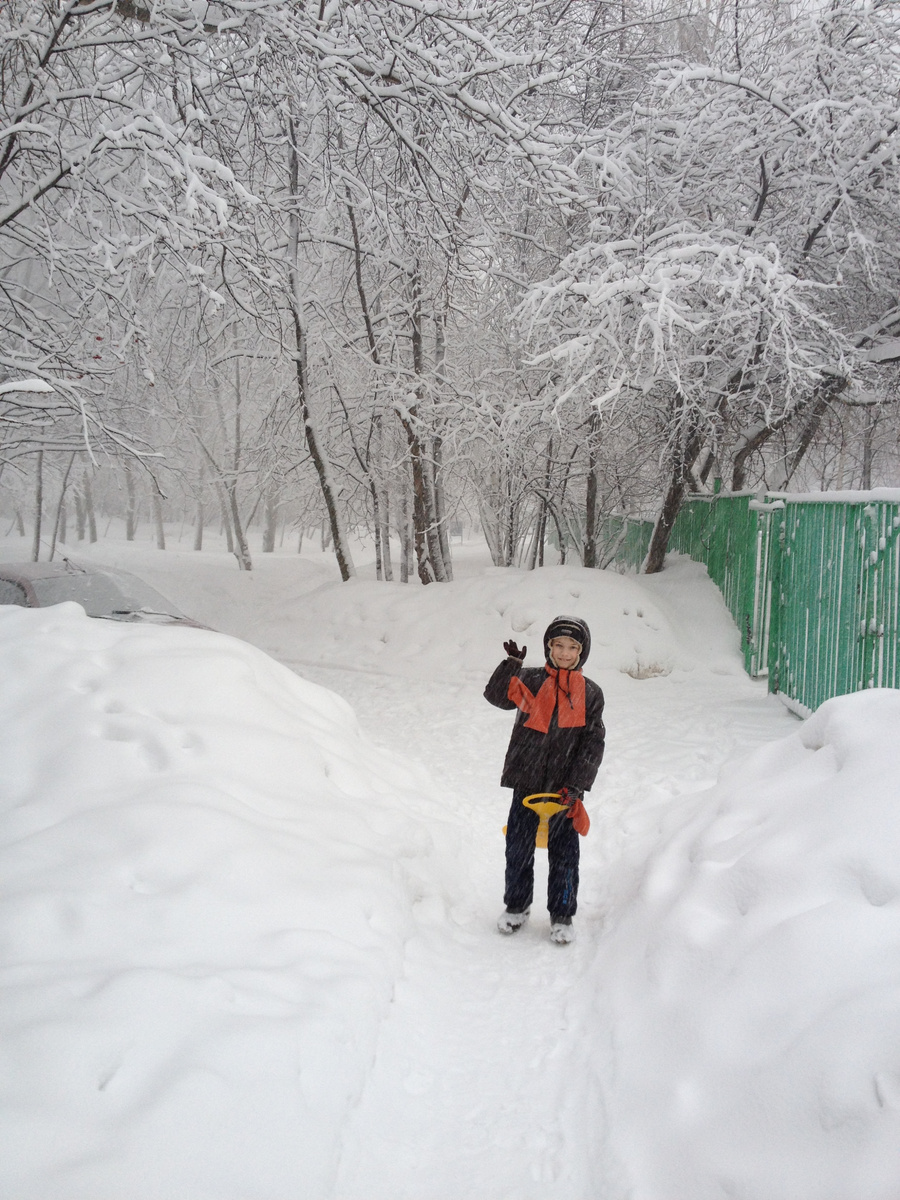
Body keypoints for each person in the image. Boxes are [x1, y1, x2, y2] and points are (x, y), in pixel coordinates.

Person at [484, 615, 605, 944]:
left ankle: (562, 914)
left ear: (582, 651)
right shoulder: (531, 680)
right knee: (518, 848)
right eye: (558, 645)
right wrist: (511, 666)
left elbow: (593, 743)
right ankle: (517, 906)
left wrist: (577, 785)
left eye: (572, 647)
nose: (564, 653)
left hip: (565, 789)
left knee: (565, 854)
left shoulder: (590, 693)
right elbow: (497, 697)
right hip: (527, 780)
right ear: (548, 647)